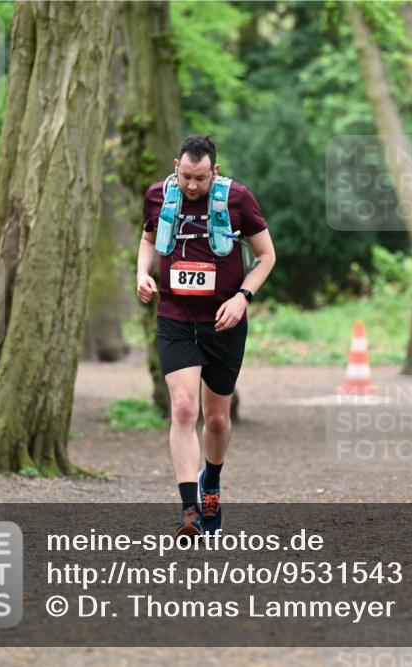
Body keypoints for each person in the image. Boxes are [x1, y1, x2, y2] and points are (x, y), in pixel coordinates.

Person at [136, 135, 275, 537]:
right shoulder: (158, 196)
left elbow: (267, 256)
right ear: (175, 164)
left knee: (216, 418)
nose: (191, 186)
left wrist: (242, 298)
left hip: (222, 321)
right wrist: (142, 273)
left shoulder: (238, 199)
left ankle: (210, 481)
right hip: (175, 318)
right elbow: (148, 239)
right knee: (182, 408)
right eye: (185, 176)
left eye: (199, 178)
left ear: (213, 171)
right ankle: (189, 511)